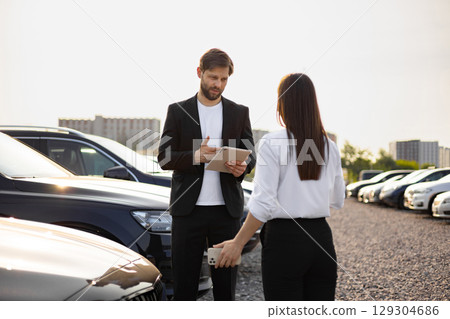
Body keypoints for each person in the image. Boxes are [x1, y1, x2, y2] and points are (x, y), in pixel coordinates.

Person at [214, 73, 345, 301]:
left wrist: (238, 242)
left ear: (283, 103)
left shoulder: (272, 143)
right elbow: (338, 200)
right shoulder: (330, 146)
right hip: (322, 241)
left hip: (285, 241)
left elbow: (264, 203)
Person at [158, 48, 256, 301]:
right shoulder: (178, 111)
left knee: (224, 288)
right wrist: (196, 156)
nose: (218, 84)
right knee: (184, 287)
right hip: (188, 214)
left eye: (224, 79)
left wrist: (242, 167)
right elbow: (164, 157)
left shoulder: (239, 112)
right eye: (213, 77)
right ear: (199, 72)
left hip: (225, 213)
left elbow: (250, 154)